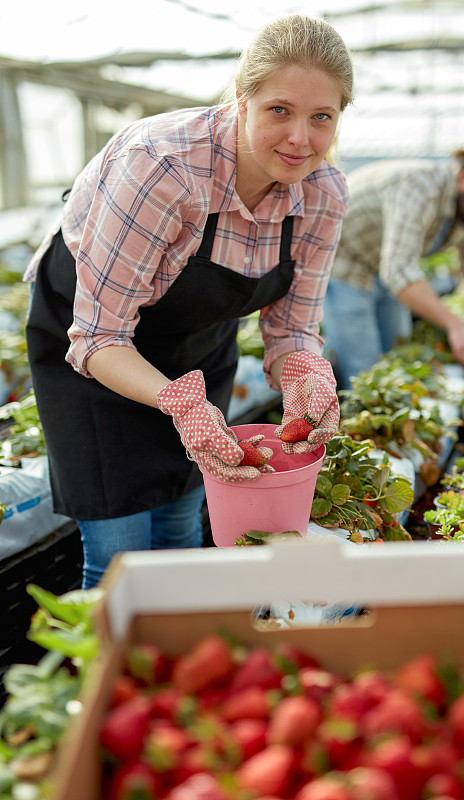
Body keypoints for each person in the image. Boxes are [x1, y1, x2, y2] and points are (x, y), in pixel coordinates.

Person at [24, 14, 354, 588]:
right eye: (280, 109)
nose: (301, 138)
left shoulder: (322, 193)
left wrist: (303, 369)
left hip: (197, 348)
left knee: (181, 534)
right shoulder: (164, 167)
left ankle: (173, 674)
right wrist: (179, 404)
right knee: (120, 560)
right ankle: (107, 671)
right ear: (242, 97)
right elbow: (99, 336)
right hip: (95, 345)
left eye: (321, 117)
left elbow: (293, 329)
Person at [321, 136, 464, 389]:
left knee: (395, 351)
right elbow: (398, 269)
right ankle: (330, 418)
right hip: (345, 262)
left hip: (383, 266)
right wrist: (455, 325)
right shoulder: (419, 187)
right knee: (364, 371)